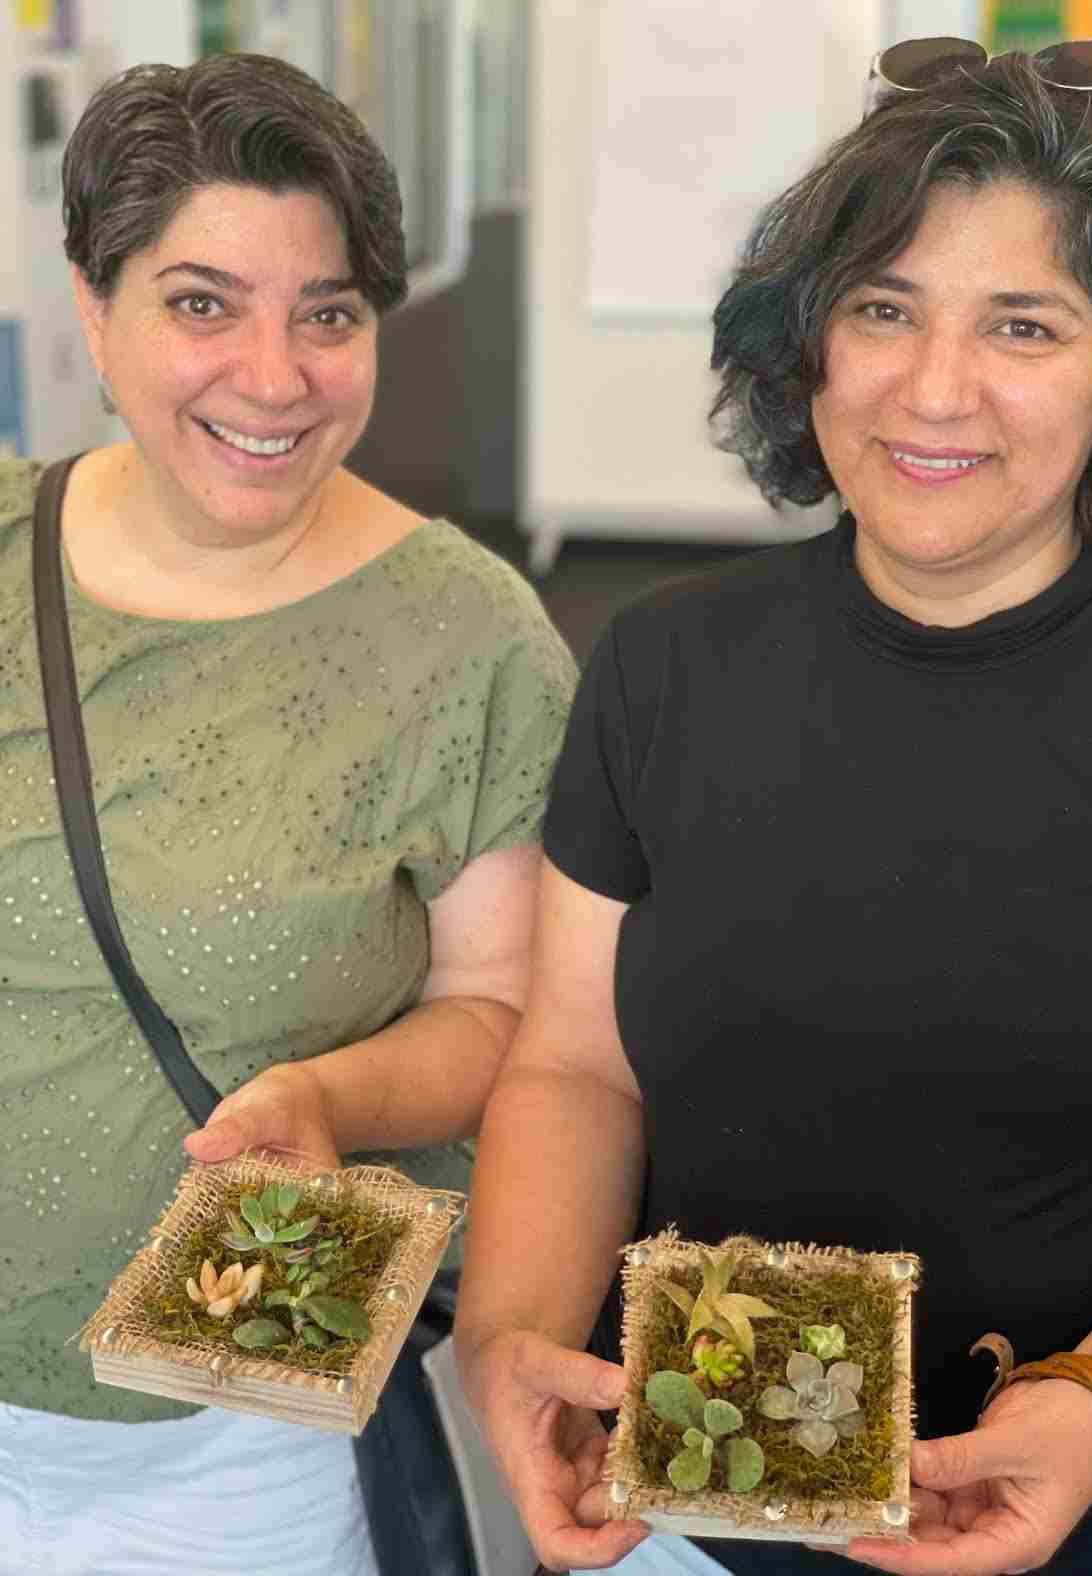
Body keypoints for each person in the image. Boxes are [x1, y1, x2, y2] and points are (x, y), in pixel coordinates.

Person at [454, 44, 1092, 1576]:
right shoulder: (663, 662)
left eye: (1022, 327)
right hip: (677, 1513)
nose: (932, 389)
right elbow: (577, 1065)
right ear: (806, 346)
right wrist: (513, 1341)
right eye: (882, 310)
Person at [0, 52, 576, 1576]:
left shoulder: (470, 638)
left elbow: (506, 1010)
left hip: (236, 1429)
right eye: (202, 303)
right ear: (92, 308)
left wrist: (329, 1103)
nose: (273, 375)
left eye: (327, 314)